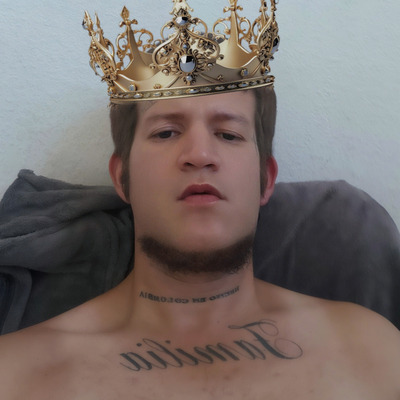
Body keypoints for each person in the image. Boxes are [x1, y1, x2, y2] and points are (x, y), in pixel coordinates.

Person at [1, 1, 400, 399]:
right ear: (122, 177)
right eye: (166, 133)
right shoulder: (16, 375)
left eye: (228, 134)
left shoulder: (371, 351)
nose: (199, 154)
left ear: (266, 180)